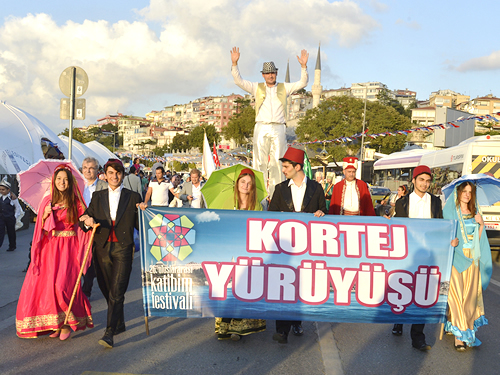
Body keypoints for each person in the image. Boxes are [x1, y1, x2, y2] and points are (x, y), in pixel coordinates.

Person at [16, 165, 93, 340]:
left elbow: (82, 222)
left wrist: (89, 221)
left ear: (70, 181)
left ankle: (66, 323)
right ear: (54, 181)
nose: (62, 182)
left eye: (65, 179)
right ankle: (57, 323)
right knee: (49, 287)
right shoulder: (47, 201)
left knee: (63, 286)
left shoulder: (77, 201)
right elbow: (40, 230)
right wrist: (44, 215)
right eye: (59, 179)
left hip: (69, 249)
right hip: (50, 249)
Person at [79, 159, 143, 348]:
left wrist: (143, 212)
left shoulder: (133, 196)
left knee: (117, 290)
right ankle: (119, 322)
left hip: (123, 248)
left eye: (118, 173)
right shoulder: (97, 196)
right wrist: (86, 221)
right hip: (102, 247)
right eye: (111, 173)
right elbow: (84, 219)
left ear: (122, 175)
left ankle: (109, 332)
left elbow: (141, 225)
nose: (114, 177)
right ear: (104, 175)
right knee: (107, 289)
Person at [231, 46, 309, 196]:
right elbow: (238, 81)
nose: (270, 76)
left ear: (276, 73)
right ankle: (259, 194)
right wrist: (235, 64)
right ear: (263, 75)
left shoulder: (284, 87)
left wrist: (303, 66)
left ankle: (276, 195)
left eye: (272, 73)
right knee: (260, 162)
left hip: (279, 127)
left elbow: (302, 83)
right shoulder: (256, 87)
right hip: (261, 126)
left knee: (277, 163)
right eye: (267, 73)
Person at [268, 147, 326, 344]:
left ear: (297, 166)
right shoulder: (280, 189)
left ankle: (296, 321)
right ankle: (282, 330)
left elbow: (324, 213)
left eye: (286, 167)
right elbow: (270, 217)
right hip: (284, 247)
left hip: (307, 247)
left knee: (300, 285)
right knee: (282, 286)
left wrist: (320, 214)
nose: (283, 170)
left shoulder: (316, 189)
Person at [390, 165, 443, 351]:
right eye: (421, 180)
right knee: (403, 289)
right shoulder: (402, 203)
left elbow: (440, 228)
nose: (425, 184)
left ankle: (418, 337)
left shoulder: (436, 202)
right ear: (413, 181)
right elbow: (397, 230)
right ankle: (399, 320)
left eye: (428, 181)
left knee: (422, 294)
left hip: (428, 255)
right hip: (408, 254)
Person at [215, 168, 266, 341]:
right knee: (229, 286)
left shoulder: (257, 204)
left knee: (243, 286)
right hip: (230, 249)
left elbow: (261, 227)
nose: (246, 185)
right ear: (237, 183)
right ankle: (225, 324)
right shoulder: (229, 201)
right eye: (243, 182)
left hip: (248, 250)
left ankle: (239, 323)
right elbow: (220, 223)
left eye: (249, 183)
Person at [444, 181, 492, 351]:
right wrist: (450, 241)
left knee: (470, 297)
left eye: (470, 192)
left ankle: (464, 327)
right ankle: (459, 335)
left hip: (473, 260)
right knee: (456, 296)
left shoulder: (475, 213)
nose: (467, 195)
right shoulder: (449, 211)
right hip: (456, 257)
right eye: (464, 191)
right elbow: (443, 233)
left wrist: (481, 224)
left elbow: (479, 240)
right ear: (458, 192)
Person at [81, 157, 108, 299]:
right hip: (79, 229)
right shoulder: (77, 186)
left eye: (91, 168)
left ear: (97, 170)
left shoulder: (104, 186)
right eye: (85, 168)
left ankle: (87, 288)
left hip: (96, 229)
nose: (88, 171)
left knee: (91, 261)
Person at [0, 177, 22, 252]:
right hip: (2, 217)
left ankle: (12, 245)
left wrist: (15, 217)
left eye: (3, 190)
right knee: (1, 231)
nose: (1, 191)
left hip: (10, 217)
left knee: (11, 232)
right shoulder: (0, 197)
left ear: (8, 190)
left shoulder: (12, 198)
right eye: (0, 189)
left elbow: (18, 208)